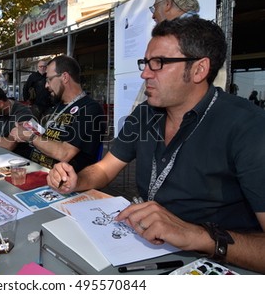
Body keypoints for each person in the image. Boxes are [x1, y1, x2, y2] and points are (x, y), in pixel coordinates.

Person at [47, 17, 265, 274]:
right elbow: (105, 170)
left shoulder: (248, 128)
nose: (145, 73)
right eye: (146, 62)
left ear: (199, 69)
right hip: (143, 248)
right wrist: (76, 180)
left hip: (218, 263)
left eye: (158, 63)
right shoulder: (144, 114)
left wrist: (197, 236)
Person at [11, 55, 106, 173]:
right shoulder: (56, 106)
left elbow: (64, 153)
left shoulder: (89, 109)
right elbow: (45, 136)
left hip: (61, 180)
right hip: (35, 167)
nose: (46, 85)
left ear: (65, 77)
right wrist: (30, 128)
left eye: (49, 80)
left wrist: (29, 136)